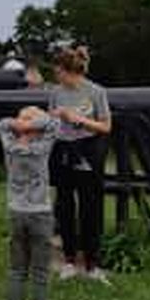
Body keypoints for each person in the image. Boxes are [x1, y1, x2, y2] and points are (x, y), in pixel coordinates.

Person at [49, 45, 112, 284]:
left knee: (90, 207)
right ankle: (68, 260)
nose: (55, 75)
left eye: (57, 70)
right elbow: (52, 121)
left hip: (88, 150)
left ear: (68, 70)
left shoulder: (96, 92)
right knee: (64, 206)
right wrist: (53, 120)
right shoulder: (56, 92)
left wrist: (80, 120)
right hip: (63, 148)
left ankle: (92, 263)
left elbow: (106, 127)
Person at [0, 106, 60, 300]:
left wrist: (19, 124)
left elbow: (2, 123)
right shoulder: (42, 148)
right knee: (41, 274)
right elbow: (54, 124)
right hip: (41, 214)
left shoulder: (10, 145)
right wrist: (33, 123)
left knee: (16, 272)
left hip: (16, 212)